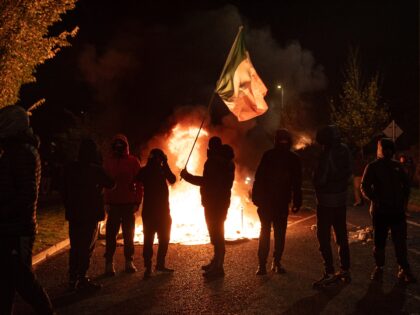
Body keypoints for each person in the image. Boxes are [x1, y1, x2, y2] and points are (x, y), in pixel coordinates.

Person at [0, 105, 54, 314]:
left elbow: (26, 193)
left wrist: (3, 212)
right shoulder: (16, 150)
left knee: (23, 280)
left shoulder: (22, 152)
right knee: (6, 281)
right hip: (10, 227)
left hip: (17, 229)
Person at [61, 138, 115, 290]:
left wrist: (69, 206)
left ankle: (72, 278)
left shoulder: (70, 168)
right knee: (86, 247)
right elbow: (111, 183)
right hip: (91, 215)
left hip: (74, 214)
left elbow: (63, 189)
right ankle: (82, 278)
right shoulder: (95, 169)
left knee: (76, 246)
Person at [361, 138, 416, 283]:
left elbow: (406, 186)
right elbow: (364, 186)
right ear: (380, 150)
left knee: (400, 241)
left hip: (397, 211)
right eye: (385, 149)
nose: (387, 152)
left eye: (390, 149)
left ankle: (404, 268)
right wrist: (375, 199)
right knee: (379, 242)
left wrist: (404, 203)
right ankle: (379, 267)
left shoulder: (397, 166)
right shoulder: (372, 167)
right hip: (380, 212)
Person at [181, 137, 235, 278]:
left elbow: (207, 182)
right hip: (221, 202)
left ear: (212, 147)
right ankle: (216, 262)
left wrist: (187, 176)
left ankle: (218, 267)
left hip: (213, 203)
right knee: (217, 233)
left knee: (216, 234)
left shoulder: (213, 162)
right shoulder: (228, 162)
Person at [252, 129, 302, 275]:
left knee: (268, 232)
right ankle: (272, 262)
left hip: (272, 202)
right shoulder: (290, 158)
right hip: (273, 202)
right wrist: (297, 200)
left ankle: (265, 264)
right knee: (277, 233)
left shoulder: (272, 155)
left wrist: (256, 197)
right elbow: (260, 177)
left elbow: (259, 178)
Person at [312, 125, 352, 288]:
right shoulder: (345, 150)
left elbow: (321, 179)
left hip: (326, 201)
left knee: (323, 237)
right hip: (341, 200)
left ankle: (329, 272)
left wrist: (315, 180)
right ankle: (345, 270)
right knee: (341, 235)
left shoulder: (326, 154)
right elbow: (348, 171)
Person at [104, 134, 143, 275]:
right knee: (110, 236)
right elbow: (105, 184)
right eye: (116, 145)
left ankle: (129, 262)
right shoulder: (108, 162)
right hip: (113, 204)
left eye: (121, 145)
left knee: (128, 235)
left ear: (126, 146)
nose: (118, 148)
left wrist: (137, 201)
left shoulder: (133, 161)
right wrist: (106, 202)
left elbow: (139, 184)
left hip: (128, 204)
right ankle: (109, 264)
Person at [136, 148, 176, 279]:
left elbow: (172, 179)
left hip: (155, 212)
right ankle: (154, 265)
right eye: (161, 158)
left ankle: (152, 266)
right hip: (159, 212)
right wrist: (166, 163)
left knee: (152, 239)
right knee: (159, 239)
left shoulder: (148, 170)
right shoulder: (155, 170)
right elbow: (173, 179)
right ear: (158, 159)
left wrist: (165, 164)